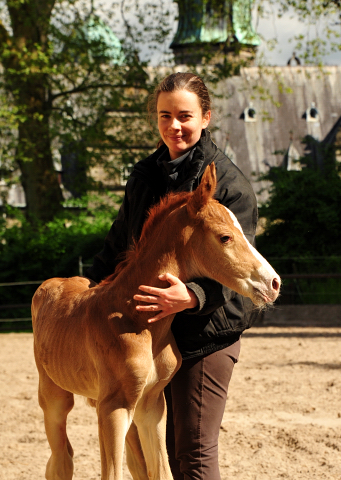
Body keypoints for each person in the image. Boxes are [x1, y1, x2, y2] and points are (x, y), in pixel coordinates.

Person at [86, 72, 259, 480]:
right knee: (153, 453)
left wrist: (194, 296)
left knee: (193, 451)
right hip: (148, 333)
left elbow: (243, 269)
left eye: (185, 116)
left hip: (207, 334)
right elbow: (118, 247)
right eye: (165, 116)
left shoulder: (230, 185)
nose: (174, 126)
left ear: (206, 117)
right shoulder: (146, 175)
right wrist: (88, 297)